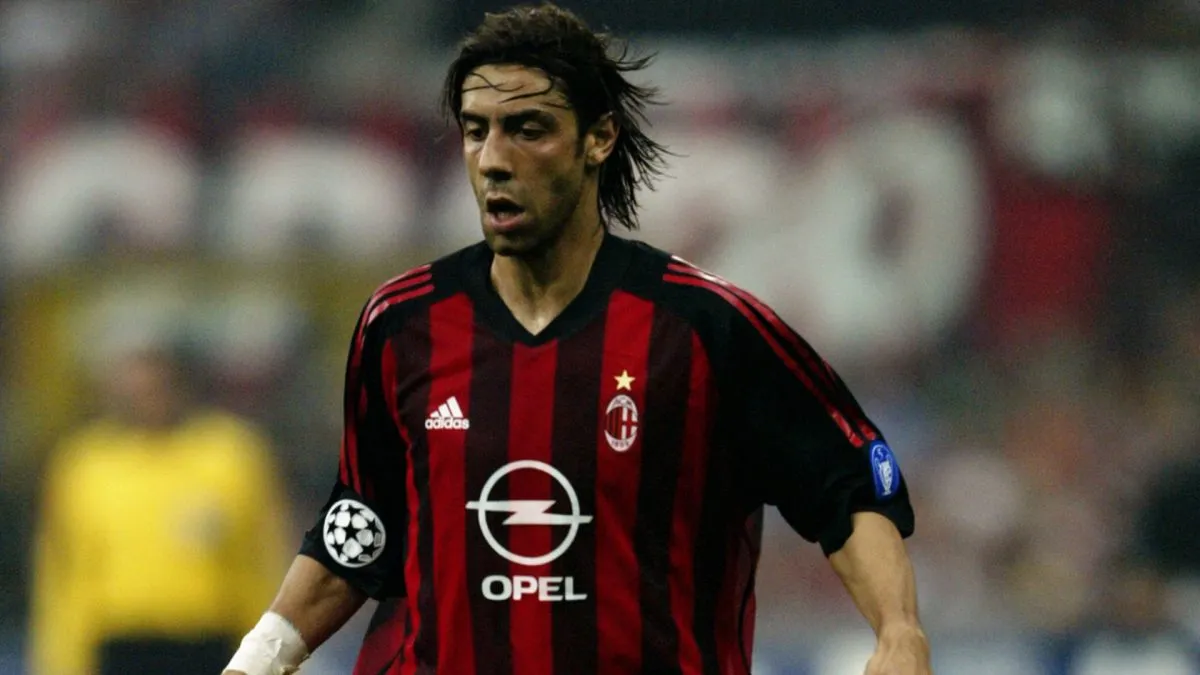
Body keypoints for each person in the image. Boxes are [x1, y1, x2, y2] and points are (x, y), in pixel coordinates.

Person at [223, 4, 930, 674]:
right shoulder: (402, 324)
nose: (493, 159)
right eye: (476, 130)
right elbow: (362, 525)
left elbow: (849, 485)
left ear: (599, 137)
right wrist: (261, 654)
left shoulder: (707, 329)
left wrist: (899, 630)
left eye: (528, 129)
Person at [31, 344, 290, 675]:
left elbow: (263, 559)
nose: (146, 400)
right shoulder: (86, 464)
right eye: (134, 392)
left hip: (209, 641)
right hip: (121, 644)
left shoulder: (230, 455)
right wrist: (61, 659)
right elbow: (64, 572)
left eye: (156, 389)